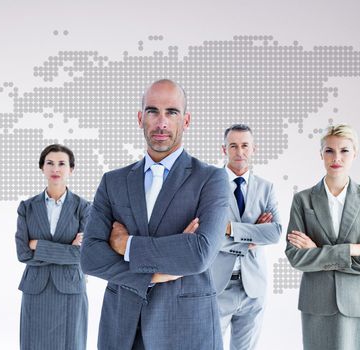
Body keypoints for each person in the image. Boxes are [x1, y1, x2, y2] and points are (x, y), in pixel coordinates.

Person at [80, 79, 228, 350]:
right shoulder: (113, 181)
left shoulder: (211, 179)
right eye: (152, 111)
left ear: (186, 120)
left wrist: (127, 245)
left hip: (186, 328)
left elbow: (199, 254)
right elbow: (90, 257)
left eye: (171, 112)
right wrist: (153, 275)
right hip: (122, 329)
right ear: (140, 118)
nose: (161, 122)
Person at [285, 124, 360, 350]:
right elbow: (295, 257)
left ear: (355, 153)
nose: (336, 158)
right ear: (320, 154)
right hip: (317, 303)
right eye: (329, 150)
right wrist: (351, 249)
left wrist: (317, 252)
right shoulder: (303, 200)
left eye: (344, 151)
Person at [209, 124, 282, 350]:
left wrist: (231, 228)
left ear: (253, 149)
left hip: (253, 289)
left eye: (244, 146)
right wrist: (252, 236)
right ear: (224, 149)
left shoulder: (266, 188)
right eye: (233, 146)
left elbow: (275, 232)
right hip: (217, 286)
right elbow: (208, 234)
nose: (239, 152)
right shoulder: (209, 185)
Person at [15, 144, 91, 350]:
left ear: (71, 170)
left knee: (71, 344)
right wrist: (66, 249)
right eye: (50, 163)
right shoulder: (27, 207)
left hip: (70, 288)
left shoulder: (83, 208)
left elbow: (82, 255)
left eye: (61, 164)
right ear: (42, 168)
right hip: (36, 288)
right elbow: (23, 253)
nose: (55, 169)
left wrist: (38, 245)